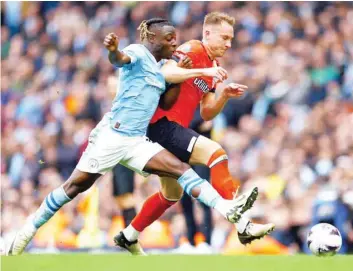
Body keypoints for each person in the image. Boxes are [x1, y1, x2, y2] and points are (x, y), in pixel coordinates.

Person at [7, 18, 258, 256]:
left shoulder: (163, 67)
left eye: (175, 38)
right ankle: (28, 230)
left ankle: (228, 209)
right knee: (74, 187)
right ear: (152, 38)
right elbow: (119, 59)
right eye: (169, 38)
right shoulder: (138, 52)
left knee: (181, 170)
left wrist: (179, 80)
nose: (174, 43)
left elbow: (169, 103)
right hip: (112, 137)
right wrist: (113, 50)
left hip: (137, 141)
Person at [116, 12, 274, 254]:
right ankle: (240, 217)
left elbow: (208, 112)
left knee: (171, 194)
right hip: (160, 123)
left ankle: (129, 235)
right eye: (224, 37)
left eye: (231, 39)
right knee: (216, 152)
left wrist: (223, 95)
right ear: (207, 34)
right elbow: (166, 73)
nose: (229, 44)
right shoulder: (192, 49)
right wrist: (202, 73)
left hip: (172, 128)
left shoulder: (214, 66)